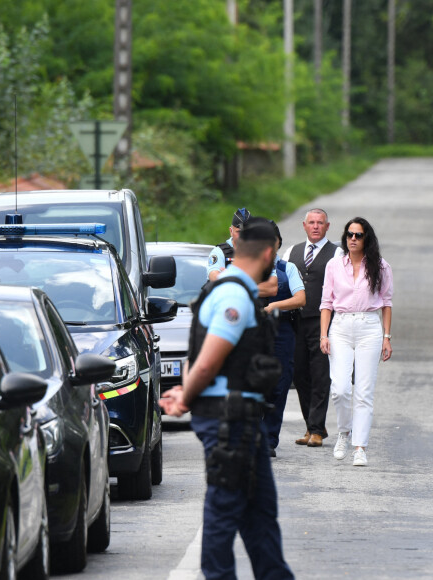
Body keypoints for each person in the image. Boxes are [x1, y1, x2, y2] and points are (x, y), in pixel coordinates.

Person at [160, 219, 294, 580]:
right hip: (228, 419)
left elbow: (197, 355)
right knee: (225, 509)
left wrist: (186, 390)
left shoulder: (236, 291)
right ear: (269, 253)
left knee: (261, 513)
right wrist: (186, 397)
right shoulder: (234, 295)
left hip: (242, 417)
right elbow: (207, 361)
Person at [320, 217, 393, 467]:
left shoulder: (380, 267)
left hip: (369, 328)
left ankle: (360, 447)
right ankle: (344, 432)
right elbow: (326, 303)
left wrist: (386, 337)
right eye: (350, 234)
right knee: (340, 388)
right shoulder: (334, 266)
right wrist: (323, 335)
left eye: (358, 235)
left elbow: (386, 303)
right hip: (340, 327)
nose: (353, 239)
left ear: (366, 239)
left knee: (364, 391)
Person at [282, 208, 342, 447]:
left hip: (323, 322)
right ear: (304, 225)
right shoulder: (291, 252)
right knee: (300, 375)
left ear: (327, 227)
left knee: (319, 374)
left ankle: (316, 429)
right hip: (295, 321)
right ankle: (312, 425)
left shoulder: (337, 253)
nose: (316, 226)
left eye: (320, 223)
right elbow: (284, 283)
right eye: (312, 223)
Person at [263, 221, 306, 457]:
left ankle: (269, 440)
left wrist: (275, 305)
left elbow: (300, 298)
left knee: (279, 386)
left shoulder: (287, 269)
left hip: (282, 331)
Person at [208, 207, 278, 298]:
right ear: (231, 231)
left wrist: (230, 278)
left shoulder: (262, 251)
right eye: (239, 232)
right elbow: (215, 279)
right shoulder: (219, 252)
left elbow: (272, 288)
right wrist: (254, 281)